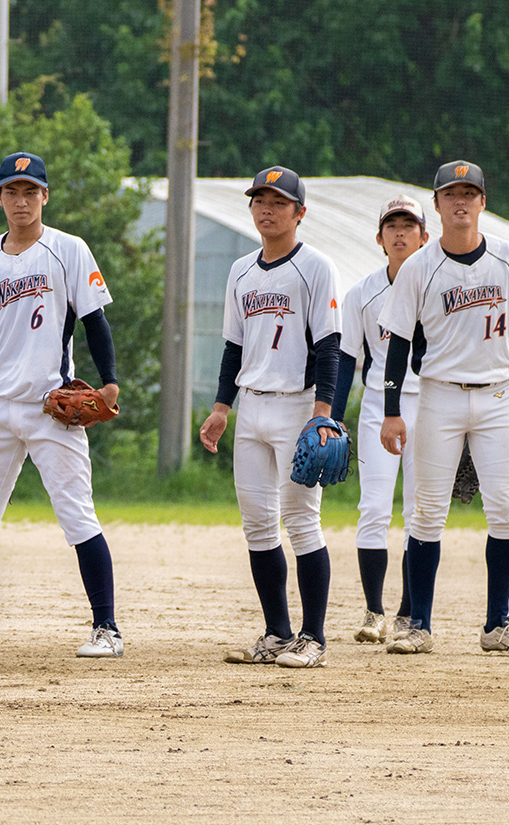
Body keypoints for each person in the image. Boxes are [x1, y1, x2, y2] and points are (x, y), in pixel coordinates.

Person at [0, 152, 124, 658]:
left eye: (30, 191)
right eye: (11, 191)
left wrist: (109, 382)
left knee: (77, 517)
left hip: (52, 407)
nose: (21, 200)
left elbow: (94, 321)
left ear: (45, 196)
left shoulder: (69, 249)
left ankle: (106, 628)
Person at [377, 162, 509, 657]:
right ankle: (419, 626)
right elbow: (398, 344)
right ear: (435, 205)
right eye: (451, 193)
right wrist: (392, 410)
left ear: (483, 201)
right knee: (427, 513)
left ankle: (498, 624)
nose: (461, 200)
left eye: (470, 192)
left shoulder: (508, 257)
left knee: (505, 511)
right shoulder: (418, 267)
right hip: (439, 396)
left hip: (498, 395)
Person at [199, 166, 342, 670]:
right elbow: (232, 347)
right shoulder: (240, 270)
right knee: (258, 526)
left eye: (279, 202)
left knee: (302, 522)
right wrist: (221, 409)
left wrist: (323, 415)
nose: (267, 209)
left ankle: (314, 638)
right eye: (260, 200)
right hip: (252, 407)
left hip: (297, 407)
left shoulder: (316, 266)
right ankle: (277, 634)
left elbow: (329, 348)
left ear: (299, 212)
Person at [331, 195, 428, 644]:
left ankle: (410, 614)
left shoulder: (438, 287)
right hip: (377, 408)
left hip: (430, 406)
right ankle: (375, 613)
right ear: (379, 239)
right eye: (392, 225)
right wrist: (330, 419)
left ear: (425, 237)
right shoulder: (361, 294)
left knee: (419, 513)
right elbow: (345, 358)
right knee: (373, 509)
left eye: (409, 225)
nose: (400, 232)